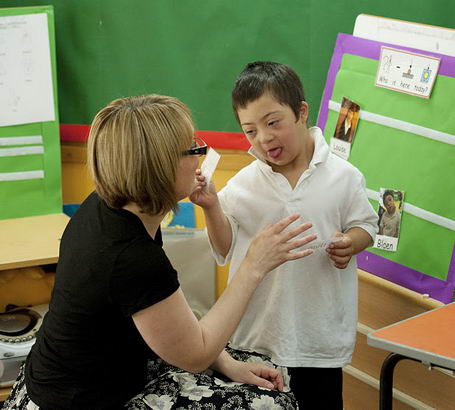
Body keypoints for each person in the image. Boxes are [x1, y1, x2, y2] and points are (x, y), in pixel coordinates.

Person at [3, 94, 317, 409]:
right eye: (193, 149)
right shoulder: (131, 255)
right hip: (77, 399)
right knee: (274, 403)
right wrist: (253, 266)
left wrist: (226, 363)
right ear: (160, 167)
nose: (200, 158)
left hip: (74, 373)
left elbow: (164, 320)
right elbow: (196, 354)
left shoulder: (107, 204)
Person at [191, 62, 379, 409]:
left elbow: (367, 224)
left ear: (301, 112)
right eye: (250, 131)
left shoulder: (344, 176)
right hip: (257, 340)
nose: (263, 138)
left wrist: (351, 243)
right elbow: (225, 248)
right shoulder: (245, 184)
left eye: (273, 122)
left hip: (319, 342)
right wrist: (212, 207)